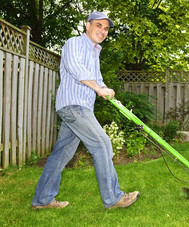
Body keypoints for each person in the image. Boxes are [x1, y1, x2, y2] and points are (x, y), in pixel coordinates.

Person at [31, 11, 139, 209]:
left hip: (79, 107)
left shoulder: (94, 51)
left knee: (61, 154)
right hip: (74, 105)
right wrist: (98, 88)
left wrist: (105, 89)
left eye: (106, 28)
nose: (103, 31)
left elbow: (96, 79)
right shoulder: (74, 43)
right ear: (87, 25)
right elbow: (75, 68)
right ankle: (113, 198)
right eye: (99, 25)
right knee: (103, 145)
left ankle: (42, 200)